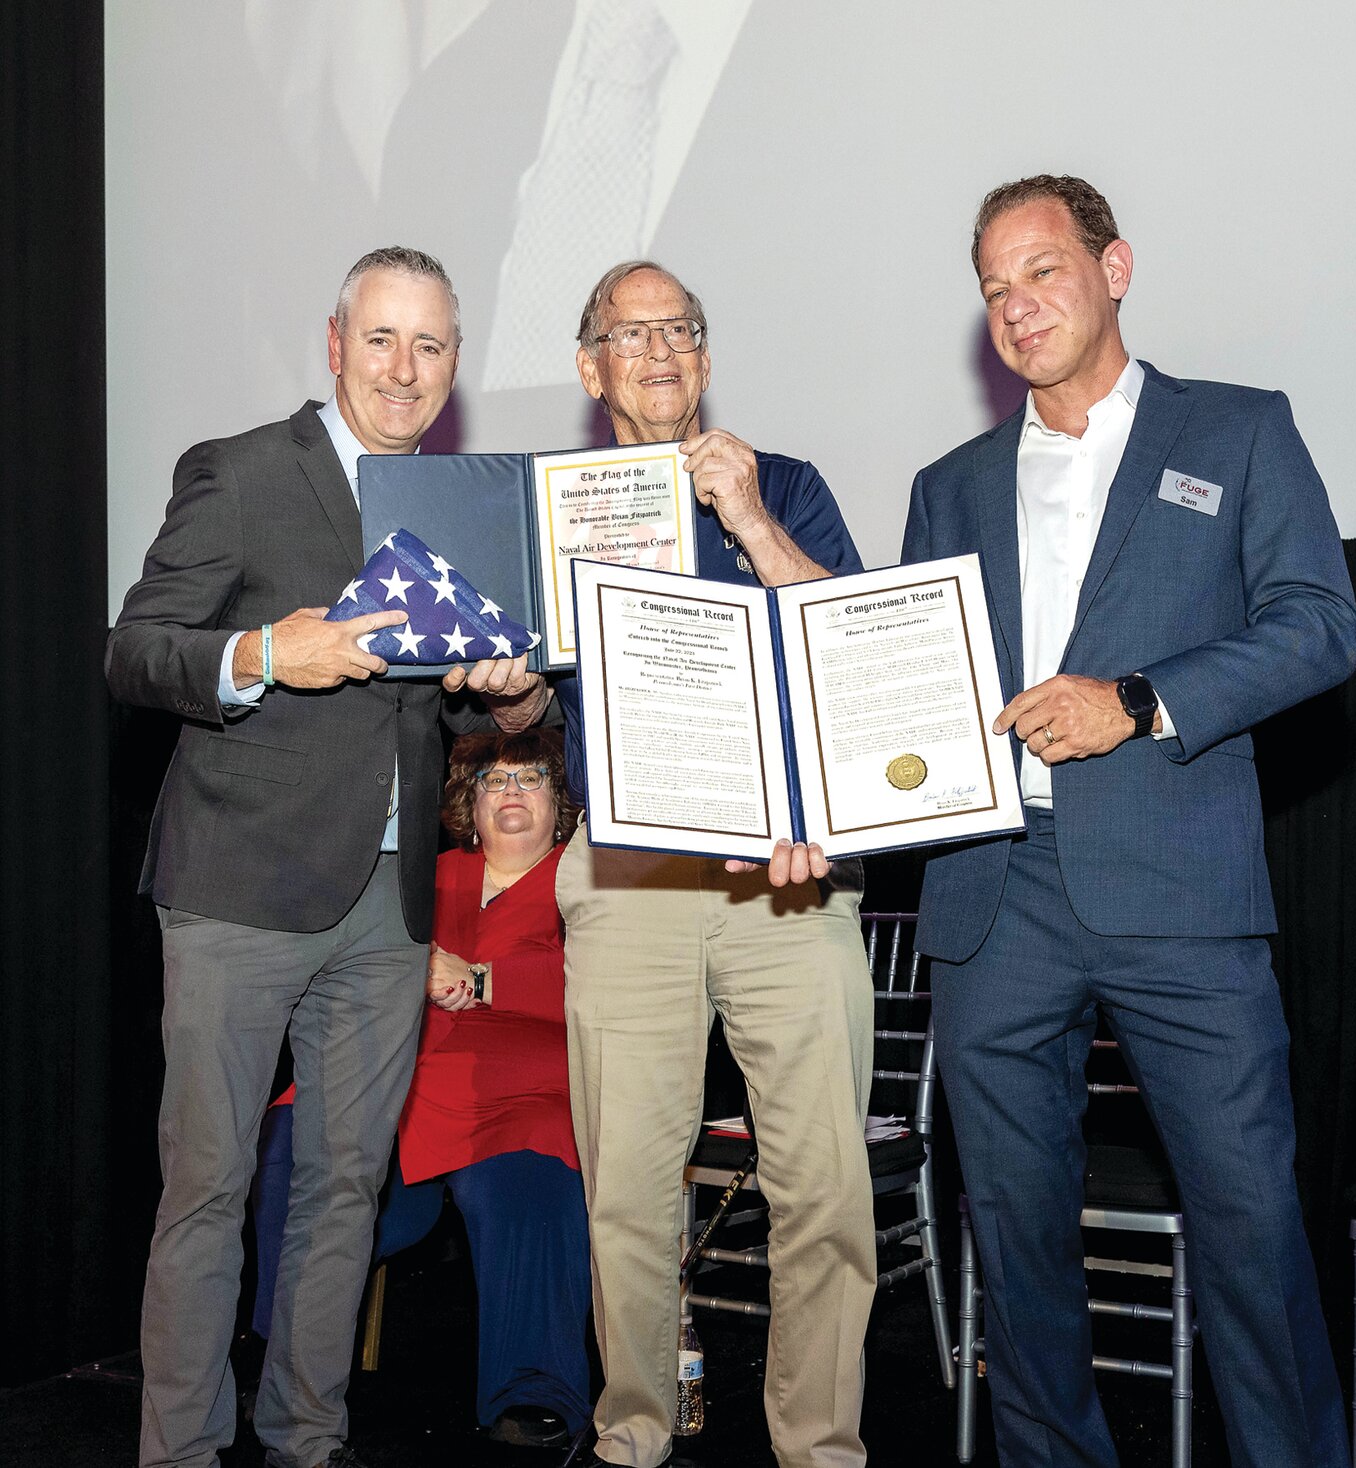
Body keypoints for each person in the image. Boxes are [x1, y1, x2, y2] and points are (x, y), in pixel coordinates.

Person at [902, 175, 1356, 1467]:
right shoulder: (951, 484)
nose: (1017, 304)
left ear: (1115, 269)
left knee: (1253, 1228)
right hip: (998, 895)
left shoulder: (1236, 432)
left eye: (1042, 271)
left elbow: (1323, 627)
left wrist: (1142, 702)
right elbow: (914, 685)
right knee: (1019, 1236)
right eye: (995, 287)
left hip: (1181, 890)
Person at [105, 246, 546, 1468]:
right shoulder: (243, 473)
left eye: (432, 346)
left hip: (390, 909)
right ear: (336, 340)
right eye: (383, 340)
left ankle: (305, 1435)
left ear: (455, 362)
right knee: (207, 1192)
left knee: (343, 1193)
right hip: (241, 892)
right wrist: (258, 655)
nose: (404, 371)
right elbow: (135, 652)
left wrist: (508, 700)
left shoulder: (456, 500)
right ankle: (181, 1452)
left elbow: (447, 708)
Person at [541, 261, 877, 1468]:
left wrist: (748, 518)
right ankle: (634, 1435)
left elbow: (857, 650)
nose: (659, 351)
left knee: (824, 1190)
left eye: (679, 329)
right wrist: (506, 679)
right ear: (590, 369)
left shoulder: (782, 483)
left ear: (705, 355)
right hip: (629, 880)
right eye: (629, 335)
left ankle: (820, 1446)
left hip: (787, 875)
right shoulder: (558, 503)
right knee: (626, 1191)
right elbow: (534, 684)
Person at [251, 729, 590, 1450]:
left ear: (560, 801)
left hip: (523, 1091)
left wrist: (481, 979)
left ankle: (534, 1387)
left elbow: (610, 989)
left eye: (532, 778)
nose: (511, 793)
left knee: (525, 1185)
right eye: (494, 781)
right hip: (398, 1076)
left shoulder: (585, 884)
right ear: (467, 801)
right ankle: (287, 1358)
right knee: (290, 1134)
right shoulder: (422, 877)